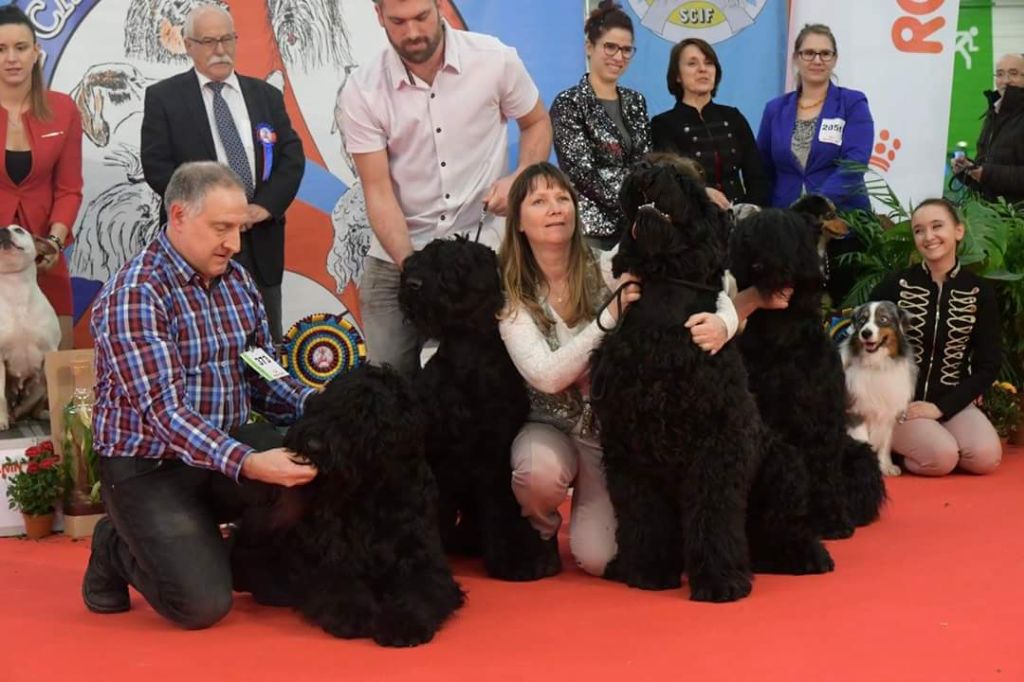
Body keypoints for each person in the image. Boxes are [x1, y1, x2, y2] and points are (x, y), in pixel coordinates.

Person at [497, 161, 787, 576]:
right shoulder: (509, 295)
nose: (555, 208)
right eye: (539, 201)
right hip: (549, 425)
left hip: (598, 432)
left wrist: (724, 322)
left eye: (563, 198)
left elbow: (705, 282)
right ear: (518, 220)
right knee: (535, 471)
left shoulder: (604, 265)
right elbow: (546, 376)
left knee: (598, 558)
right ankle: (539, 534)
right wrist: (609, 317)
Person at [82, 162, 318, 629]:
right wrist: (250, 463)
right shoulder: (137, 294)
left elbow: (261, 368)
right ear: (178, 216)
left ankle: (237, 561)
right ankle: (114, 543)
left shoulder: (238, 281)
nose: (234, 243)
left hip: (222, 443)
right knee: (202, 606)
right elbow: (165, 413)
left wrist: (320, 405)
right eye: (221, 228)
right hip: (149, 465)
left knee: (305, 475)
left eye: (239, 228)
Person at [339, 0, 552, 378]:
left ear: (439, 6)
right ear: (378, 15)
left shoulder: (495, 59)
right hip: (398, 256)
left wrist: (520, 177)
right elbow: (377, 191)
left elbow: (536, 123)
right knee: (390, 385)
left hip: (483, 256)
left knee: (493, 378)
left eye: (421, 17)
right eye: (398, 21)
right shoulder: (361, 90)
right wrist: (416, 271)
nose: (413, 33)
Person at [141, 3, 305, 345]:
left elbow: (291, 157)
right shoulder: (164, 98)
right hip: (195, 247)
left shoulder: (266, 96)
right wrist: (214, 215)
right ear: (188, 46)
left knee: (263, 349)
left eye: (227, 39)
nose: (220, 49)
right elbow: (158, 168)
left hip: (260, 242)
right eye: (208, 41)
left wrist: (263, 208)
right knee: (198, 345)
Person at [871, 198, 1002, 476]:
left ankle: (928, 435)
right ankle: (887, 444)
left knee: (984, 458)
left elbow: (989, 364)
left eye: (937, 226)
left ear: (958, 231)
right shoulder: (893, 286)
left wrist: (941, 408)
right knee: (941, 458)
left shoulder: (980, 292)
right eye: (919, 230)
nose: (928, 237)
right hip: (899, 404)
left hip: (951, 399)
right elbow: (863, 349)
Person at [757, 23, 874, 304]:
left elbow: (854, 163)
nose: (817, 60)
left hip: (842, 225)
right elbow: (763, 168)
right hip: (788, 231)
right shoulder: (775, 109)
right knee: (790, 313)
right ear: (796, 58)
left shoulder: (852, 102)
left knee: (845, 310)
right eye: (809, 53)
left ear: (835, 59)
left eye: (825, 53)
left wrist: (813, 208)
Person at [0, 5, 82, 349]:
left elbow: (69, 190)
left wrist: (53, 242)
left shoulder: (63, 109)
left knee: (60, 376)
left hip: (44, 260)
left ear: (37, 52)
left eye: (20, 48)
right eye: (1, 49)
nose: (11, 58)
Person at [550, 1, 650, 249]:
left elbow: (645, 163)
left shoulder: (635, 101)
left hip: (638, 231)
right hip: (591, 233)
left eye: (627, 50)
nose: (619, 57)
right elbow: (582, 174)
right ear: (589, 47)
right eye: (610, 47)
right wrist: (631, 206)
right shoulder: (568, 102)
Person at [650, 37, 768, 209]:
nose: (703, 69)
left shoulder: (733, 117)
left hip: (739, 220)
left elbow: (756, 175)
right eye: (692, 63)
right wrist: (701, 193)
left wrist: (751, 211)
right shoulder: (663, 124)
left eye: (709, 63)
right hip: (691, 221)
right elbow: (668, 181)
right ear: (677, 76)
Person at [951, 53, 1024, 205]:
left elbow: (989, 174)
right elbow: (987, 181)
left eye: (1013, 73)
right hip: (993, 219)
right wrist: (968, 171)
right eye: (1000, 74)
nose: (1006, 81)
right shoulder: (993, 114)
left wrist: (986, 173)